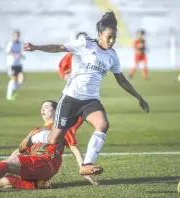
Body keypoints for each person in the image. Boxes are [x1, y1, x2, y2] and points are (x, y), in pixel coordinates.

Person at [23, 11, 149, 176]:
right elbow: (59, 47)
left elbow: (121, 79)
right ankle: (33, 138)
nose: (112, 41)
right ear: (99, 34)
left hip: (90, 101)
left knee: (103, 124)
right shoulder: (85, 44)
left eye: (115, 37)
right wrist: (36, 47)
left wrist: (139, 97)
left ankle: (86, 164)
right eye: (109, 37)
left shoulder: (112, 56)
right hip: (71, 98)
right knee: (54, 139)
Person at [0, 100, 98, 193]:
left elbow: (74, 148)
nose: (43, 109)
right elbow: (19, 151)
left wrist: (83, 167)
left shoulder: (61, 128)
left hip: (45, 163)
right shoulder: (35, 132)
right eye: (42, 107)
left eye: (47, 107)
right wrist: (4, 166)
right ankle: (38, 184)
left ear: (57, 111)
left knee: (3, 168)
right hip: (34, 166)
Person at [5, 30, 25, 100]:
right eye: (16, 35)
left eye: (18, 35)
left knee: (21, 79)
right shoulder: (11, 43)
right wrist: (16, 54)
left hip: (18, 64)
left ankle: (13, 90)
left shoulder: (20, 43)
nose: (17, 37)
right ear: (13, 36)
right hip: (11, 64)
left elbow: (19, 52)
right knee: (13, 79)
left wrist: (21, 56)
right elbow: (8, 53)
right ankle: (9, 95)